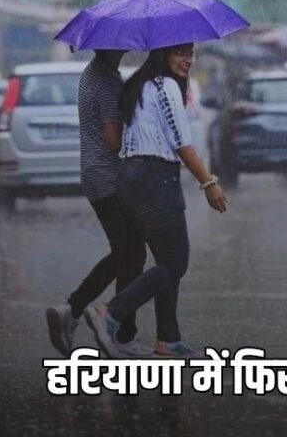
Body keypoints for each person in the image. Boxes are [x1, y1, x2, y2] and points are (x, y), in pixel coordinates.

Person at [85, 43, 229, 358]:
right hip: (154, 179)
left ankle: (169, 338)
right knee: (176, 261)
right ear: (162, 54)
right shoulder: (165, 87)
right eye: (180, 53)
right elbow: (181, 140)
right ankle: (111, 313)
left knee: (166, 260)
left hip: (131, 179)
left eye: (190, 53)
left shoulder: (140, 85)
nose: (187, 60)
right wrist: (209, 182)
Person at [45, 49, 150, 358]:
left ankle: (76, 310)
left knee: (126, 252)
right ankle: (117, 329)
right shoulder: (107, 82)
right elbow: (113, 140)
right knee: (133, 253)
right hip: (110, 178)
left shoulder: (93, 74)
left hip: (95, 175)